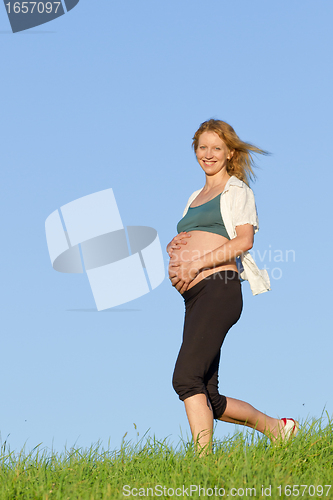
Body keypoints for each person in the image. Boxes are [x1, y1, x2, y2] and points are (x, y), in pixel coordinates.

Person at [167, 119, 298, 454]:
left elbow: (244, 240)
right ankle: (277, 429)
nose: (208, 154)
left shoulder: (237, 190)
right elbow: (199, 234)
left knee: (185, 378)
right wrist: (176, 248)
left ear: (229, 154)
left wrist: (195, 262)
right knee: (208, 394)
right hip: (195, 297)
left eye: (216, 148)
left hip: (219, 289)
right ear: (194, 149)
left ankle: (203, 464)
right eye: (202, 147)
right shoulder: (195, 196)